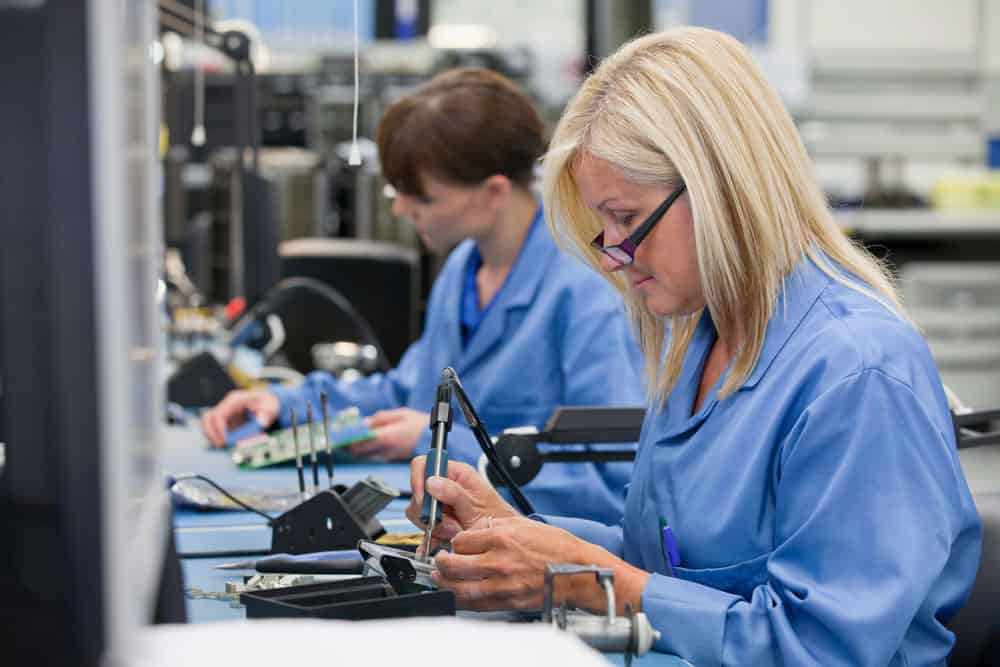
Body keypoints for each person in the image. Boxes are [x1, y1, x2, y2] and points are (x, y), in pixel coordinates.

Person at [405, 28, 982, 665]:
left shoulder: (856, 372)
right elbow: (666, 563)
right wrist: (514, 534)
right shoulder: (702, 343)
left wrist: (587, 581)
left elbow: (821, 648)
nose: (616, 254)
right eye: (605, 227)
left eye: (626, 219)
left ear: (719, 188)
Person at [201, 68, 643, 523]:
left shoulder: (589, 293)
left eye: (423, 197)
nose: (399, 209)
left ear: (493, 192)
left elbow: (608, 480)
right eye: (398, 191)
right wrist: (287, 406)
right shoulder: (462, 269)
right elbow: (406, 391)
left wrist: (437, 446)